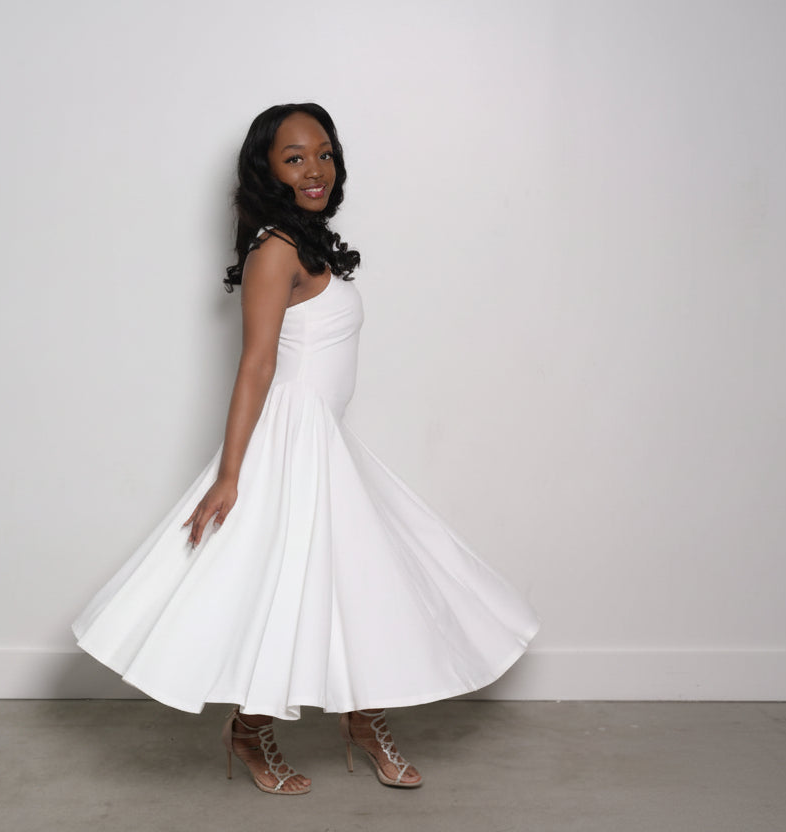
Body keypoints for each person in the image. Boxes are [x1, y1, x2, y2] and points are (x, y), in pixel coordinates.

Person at [72, 103, 539, 795]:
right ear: (267, 170)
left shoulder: (307, 240)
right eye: (294, 158)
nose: (315, 169)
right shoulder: (275, 250)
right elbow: (256, 365)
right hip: (290, 442)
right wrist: (231, 475)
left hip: (325, 440)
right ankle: (250, 730)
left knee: (359, 580)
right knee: (284, 588)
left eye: (324, 153)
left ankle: (361, 719)